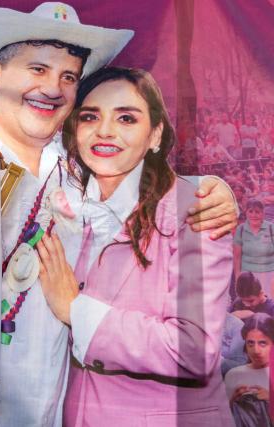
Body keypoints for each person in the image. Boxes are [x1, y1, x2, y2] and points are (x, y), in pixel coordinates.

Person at [0, 3, 237, 425]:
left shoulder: (74, 167)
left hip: (72, 409)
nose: (53, 88)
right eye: (37, 69)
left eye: (68, 76)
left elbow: (141, 178)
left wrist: (212, 190)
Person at [37, 67, 233, 425]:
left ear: (155, 133)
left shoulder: (196, 211)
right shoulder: (66, 210)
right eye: (90, 116)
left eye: (126, 117)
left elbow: (195, 349)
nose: (105, 130)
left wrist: (76, 311)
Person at [225, 313, 274, 426]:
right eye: (250, 343)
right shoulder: (233, 375)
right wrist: (233, 401)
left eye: (263, 343)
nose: (256, 350)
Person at [234, 199, 274, 296]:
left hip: (269, 275)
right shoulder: (241, 229)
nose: (254, 215)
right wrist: (238, 278)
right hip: (247, 276)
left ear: (263, 213)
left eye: (257, 212)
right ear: (246, 212)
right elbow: (237, 257)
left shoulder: (271, 228)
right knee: (250, 304)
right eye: (250, 211)